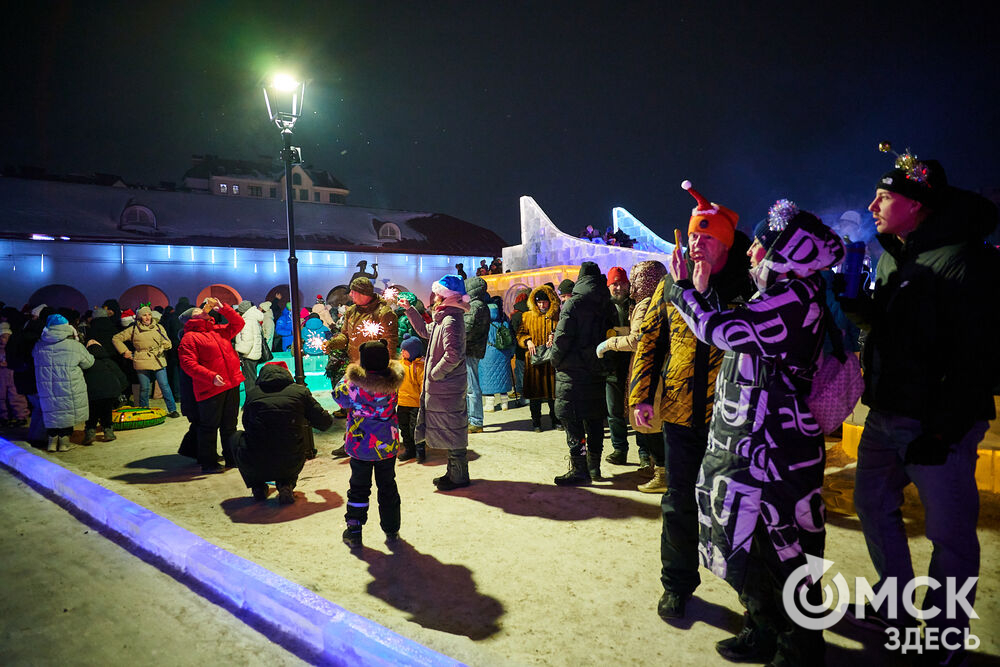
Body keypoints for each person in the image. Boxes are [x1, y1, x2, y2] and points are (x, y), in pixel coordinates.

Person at [838, 150, 1000, 664]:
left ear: (917, 203)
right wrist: (857, 307)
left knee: (949, 533)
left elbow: (978, 351)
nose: (872, 204)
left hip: (939, 422)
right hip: (886, 413)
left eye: (884, 197)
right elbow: (894, 329)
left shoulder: (964, 259)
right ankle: (897, 605)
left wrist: (946, 428)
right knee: (871, 506)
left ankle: (947, 633)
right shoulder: (892, 254)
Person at [667, 198, 844, 665]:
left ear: (783, 252)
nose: (751, 253)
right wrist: (700, 289)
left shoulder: (794, 298)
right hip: (752, 446)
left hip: (778, 449)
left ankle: (800, 648)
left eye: (760, 245)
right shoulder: (778, 293)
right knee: (754, 543)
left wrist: (684, 289)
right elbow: (731, 328)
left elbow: (721, 330)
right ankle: (763, 627)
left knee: (789, 551)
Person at [630, 182, 752, 617]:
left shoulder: (747, 285)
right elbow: (650, 341)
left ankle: (754, 602)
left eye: (706, 237)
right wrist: (642, 395)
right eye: (693, 235)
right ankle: (677, 583)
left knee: (736, 508)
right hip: (680, 413)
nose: (696, 243)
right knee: (678, 502)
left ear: (725, 243)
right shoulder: (670, 285)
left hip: (732, 420)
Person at [596, 260, 668, 486]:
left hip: (648, 368)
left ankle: (662, 473)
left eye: (635, 279)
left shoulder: (645, 304)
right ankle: (659, 467)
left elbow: (639, 339)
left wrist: (610, 342)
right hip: (655, 368)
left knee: (650, 420)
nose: (631, 285)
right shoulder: (660, 301)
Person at [399, 275, 470, 491]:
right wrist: (410, 310)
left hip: (447, 386)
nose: (434, 297)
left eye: (437, 294)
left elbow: (453, 354)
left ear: (445, 296)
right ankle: (454, 473)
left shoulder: (451, 320)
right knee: (450, 430)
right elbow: (424, 331)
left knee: (453, 431)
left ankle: (458, 476)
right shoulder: (444, 318)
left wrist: (435, 375)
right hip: (444, 387)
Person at [333, 340, 404, 547]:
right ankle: (392, 528)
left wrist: (349, 374)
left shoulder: (352, 386)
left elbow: (338, 396)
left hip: (360, 446)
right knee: (388, 485)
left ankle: (354, 528)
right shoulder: (393, 383)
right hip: (387, 446)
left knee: (358, 487)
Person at [548, 262, 613, 484]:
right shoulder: (608, 304)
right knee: (595, 420)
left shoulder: (574, 304)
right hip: (597, 370)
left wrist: (555, 361)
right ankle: (594, 467)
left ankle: (579, 469)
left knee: (572, 420)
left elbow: (562, 339)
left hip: (572, 372)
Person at [232, 361, 334, 504]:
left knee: (236, 438)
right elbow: (325, 423)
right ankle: (286, 483)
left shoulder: (252, 394)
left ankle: (257, 485)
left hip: (257, 456)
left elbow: (247, 424)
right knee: (293, 438)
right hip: (291, 454)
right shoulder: (300, 391)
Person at [177, 298, 245, 473]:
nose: (202, 310)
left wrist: (224, 308)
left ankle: (232, 458)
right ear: (190, 319)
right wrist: (211, 377)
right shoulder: (189, 338)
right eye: (197, 311)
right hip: (210, 388)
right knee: (209, 427)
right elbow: (188, 364)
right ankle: (208, 462)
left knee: (230, 425)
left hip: (231, 384)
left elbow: (238, 323)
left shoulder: (217, 331)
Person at [33, 314, 95, 452]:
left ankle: (52, 442)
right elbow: (89, 362)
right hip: (69, 385)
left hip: (46, 386)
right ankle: (64, 442)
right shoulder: (74, 345)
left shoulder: (38, 345)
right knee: (67, 411)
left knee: (52, 411)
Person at [112, 306, 179, 418]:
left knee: (165, 385)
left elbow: (167, 341)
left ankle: (172, 409)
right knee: (144, 387)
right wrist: (125, 351)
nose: (147, 317)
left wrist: (163, 346)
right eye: (144, 315)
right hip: (142, 359)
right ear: (139, 317)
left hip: (158, 358)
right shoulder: (133, 329)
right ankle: (144, 410)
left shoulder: (158, 327)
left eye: (149, 314)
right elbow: (116, 338)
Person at [601, 266, 636, 467]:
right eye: (614, 283)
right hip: (612, 366)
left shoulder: (635, 304)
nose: (618, 287)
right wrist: (623, 333)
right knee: (614, 412)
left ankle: (644, 453)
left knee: (637, 410)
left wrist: (618, 333)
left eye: (621, 283)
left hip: (633, 364)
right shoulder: (604, 307)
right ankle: (619, 449)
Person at [516, 284, 560, 431]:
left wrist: (554, 339)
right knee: (535, 394)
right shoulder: (527, 316)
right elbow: (520, 334)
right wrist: (528, 341)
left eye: (544, 302)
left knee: (552, 394)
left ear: (550, 301)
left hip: (551, 361)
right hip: (534, 360)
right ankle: (536, 422)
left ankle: (556, 420)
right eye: (539, 302)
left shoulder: (556, 316)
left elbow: (564, 333)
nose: (542, 305)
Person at [341, 277, 399, 364]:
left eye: (353, 292)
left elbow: (390, 345)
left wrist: (385, 369)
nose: (350, 294)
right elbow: (344, 335)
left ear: (363, 293)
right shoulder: (351, 311)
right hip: (353, 367)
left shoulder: (384, 314)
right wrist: (333, 343)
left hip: (375, 369)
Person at [81, 340, 128, 444]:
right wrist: (119, 391)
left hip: (91, 394)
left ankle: (90, 432)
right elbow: (121, 377)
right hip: (109, 392)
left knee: (91, 413)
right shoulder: (108, 362)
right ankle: (108, 432)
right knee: (106, 412)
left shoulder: (85, 364)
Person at [464, 276, 491, 433]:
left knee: (471, 387)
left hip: (469, 350)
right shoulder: (482, 305)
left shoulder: (475, 306)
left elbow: (467, 329)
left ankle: (475, 421)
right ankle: (472, 419)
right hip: (474, 349)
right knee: (470, 386)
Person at [479, 302, 515, 412]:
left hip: (488, 354)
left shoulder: (484, 325)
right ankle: (505, 403)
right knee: (502, 378)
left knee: (488, 379)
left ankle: (490, 405)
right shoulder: (504, 323)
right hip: (503, 353)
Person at [396, 334, 426, 462]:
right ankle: (409, 450)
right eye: (402, 349)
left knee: (416, 429)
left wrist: (423, 402)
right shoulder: (399, 365)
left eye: (405, 350)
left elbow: (423, 386)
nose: (402, 352)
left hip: (415, 404)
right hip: (402, 403)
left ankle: (420, 451)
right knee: (404, 428)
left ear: (413, 351)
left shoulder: (420, 367)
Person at [0, 321, 30, 427]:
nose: (4, 339)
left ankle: (21, 416)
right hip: (2, 377)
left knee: (16, 397)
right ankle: (4, 417)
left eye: (6, 337)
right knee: (1, 397)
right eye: (2, 336)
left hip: (13, 376)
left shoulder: (14, 349)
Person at [507, 289, 531, 408]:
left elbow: (513, 333)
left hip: (520, 350)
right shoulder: (532, 313)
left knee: (521, 373)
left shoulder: (516, 315)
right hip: (532, 348)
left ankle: (525, 397)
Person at [233, 300, 264, 390]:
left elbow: (247, 342)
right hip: (253, 354)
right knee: (252, 380)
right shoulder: (253, 319)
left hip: (248, 356)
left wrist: (236, 348)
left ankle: (252, 402)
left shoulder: (246, 322)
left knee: (250, 383)